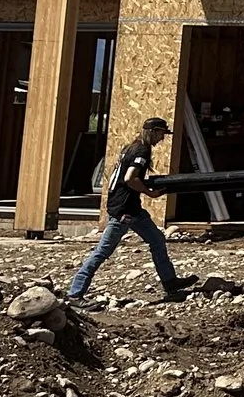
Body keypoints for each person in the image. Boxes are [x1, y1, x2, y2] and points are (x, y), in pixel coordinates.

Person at [65, 117, 189, 306]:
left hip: (131, 208)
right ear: (153, 132)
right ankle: (75, 293)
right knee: (102, 252)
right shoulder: (141, 150)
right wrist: (150, 192)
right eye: (161, 134)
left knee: (157, 240)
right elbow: (130, 178)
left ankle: (171, 283)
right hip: (124, 211)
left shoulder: (131, 147)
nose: (162, 139)